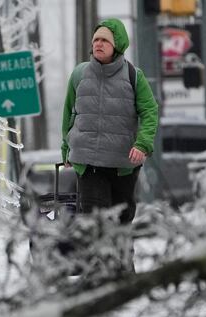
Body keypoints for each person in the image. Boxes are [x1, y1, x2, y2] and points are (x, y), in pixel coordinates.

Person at [61, 18, 159, 225]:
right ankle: (99, 258)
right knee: (96, 224)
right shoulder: (79, 74)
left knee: (121, 224)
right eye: (96, 39)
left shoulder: (134, 76)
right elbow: (70, 113)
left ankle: (122, 258)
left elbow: (150, 112)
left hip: (123, 165)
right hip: (88, 163)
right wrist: (66, 148)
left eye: (104, 40)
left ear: (118, 45)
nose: (98, 44)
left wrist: (142, 144)